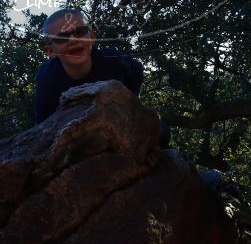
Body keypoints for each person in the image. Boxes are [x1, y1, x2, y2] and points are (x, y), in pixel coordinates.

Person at [32, 8, 172, 146]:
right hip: (76, 129)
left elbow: (136, 70)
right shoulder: (47, 79)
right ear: (50, 51)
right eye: (62, 38)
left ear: (92, 37)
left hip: (116, 116)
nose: (73, 39)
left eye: (80, 32)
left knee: (161, 133)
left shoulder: (113, 61)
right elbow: (44, 124)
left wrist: (129, 102)